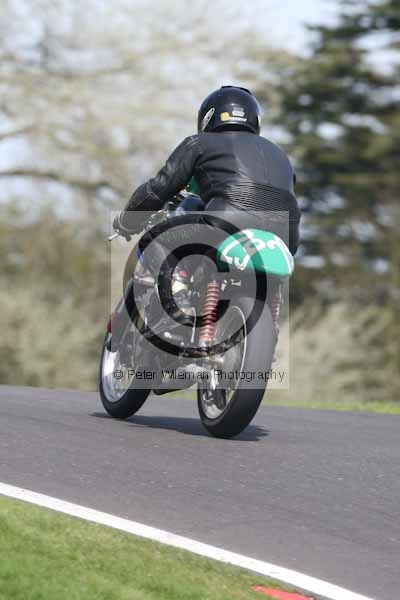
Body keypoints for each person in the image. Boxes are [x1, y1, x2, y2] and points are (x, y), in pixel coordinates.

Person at [113, 85, 301, 330]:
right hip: (285, 235)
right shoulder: (280, 155)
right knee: (269, 281)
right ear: (255, 119)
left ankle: (178, 304)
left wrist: (127, 220)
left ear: (208, 117)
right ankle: (270, 326)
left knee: (154, 240)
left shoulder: (200, 143)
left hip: (227, 221)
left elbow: (159, 188)